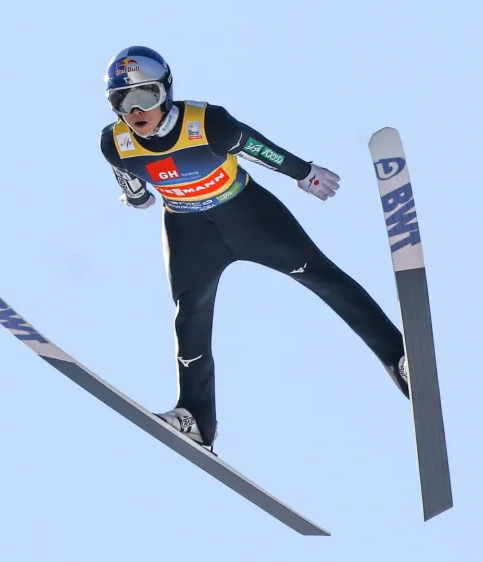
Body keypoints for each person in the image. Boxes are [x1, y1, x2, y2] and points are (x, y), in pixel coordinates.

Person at [99, 46, 408, 449]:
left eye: (146, 96)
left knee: (322, 276)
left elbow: (258, 148)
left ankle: (400, 358)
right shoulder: (115, 142)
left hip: (246, 214)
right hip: (188, 231)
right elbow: (130, 182)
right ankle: (195, 417)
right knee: (189, 317)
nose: (136, 110)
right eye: (123, 101)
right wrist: (135, 196)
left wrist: (305, 173)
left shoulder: (208, 122)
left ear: (166, 92)